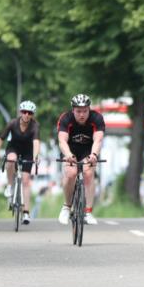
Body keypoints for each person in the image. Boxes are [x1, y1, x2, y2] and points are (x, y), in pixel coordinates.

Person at [56, 94, 105, 226]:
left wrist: (94, 154)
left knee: (88, 173)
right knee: (71, 173)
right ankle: (66, 206)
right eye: (78, 111)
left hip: (88, 150)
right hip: (70, 150)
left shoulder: (97, 118)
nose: (82, 114)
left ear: (89, 109)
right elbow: (62, 141)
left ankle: (88, 212)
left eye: (85, 111)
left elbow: (98, 140)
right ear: (73, 110)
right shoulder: (66, 118)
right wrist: (68, 155)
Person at [0, 99, 40, 225]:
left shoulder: (35, 126)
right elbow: (0, 139)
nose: (27, 115)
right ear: (20, 112)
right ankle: (9, 185)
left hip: (28, 151)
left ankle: (26, 213)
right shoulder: (13, 123)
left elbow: (36, 142)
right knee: (11, 160)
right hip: (13, 148)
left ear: (32, 114)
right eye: (24, 112)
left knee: (26, 180)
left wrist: (35, 156)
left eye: (30, 113)